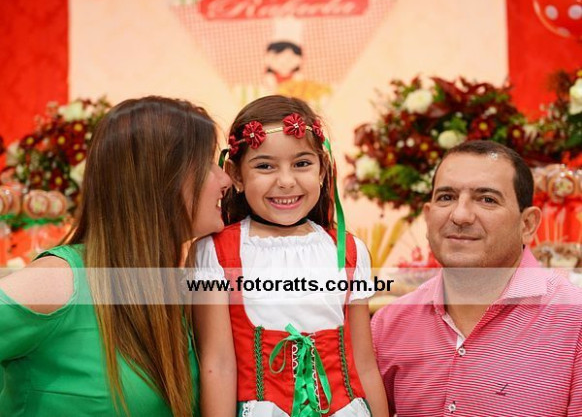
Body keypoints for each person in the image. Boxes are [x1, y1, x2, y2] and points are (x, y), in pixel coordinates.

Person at [0, 96, 231, 416]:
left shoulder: (178, 287)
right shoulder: (62, 280)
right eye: (207, 163)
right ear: (161, 177)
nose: (225, 180)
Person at [193, 95, 389, 416]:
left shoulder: (349, 251)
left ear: (322, 169)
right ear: (236, 175)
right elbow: (218, 364)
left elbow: (365, 364)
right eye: (265, 166)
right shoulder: (215, 252)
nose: (286, 182)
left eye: (301, 164)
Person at [372, 140, 582, 416]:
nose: (460, 215)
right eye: (446, 197)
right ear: (428, 216)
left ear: (528, 224)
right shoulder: (390, 324)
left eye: (487, 199)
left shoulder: (573, 320)